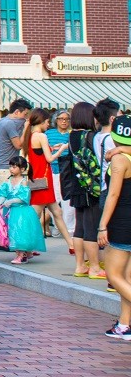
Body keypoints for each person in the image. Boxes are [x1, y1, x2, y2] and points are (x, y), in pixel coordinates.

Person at [97, 115, 131, 340]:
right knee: (126, 277)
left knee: (113, 274)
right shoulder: (124, 156)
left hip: (121, 221)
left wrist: (102, 226)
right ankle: (124, 324)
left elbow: (114, 194)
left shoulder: (120, 160)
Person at [20, 108, 70, 252]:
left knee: (56, 212)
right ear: (41, 121)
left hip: (37, 179)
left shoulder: (31, 136)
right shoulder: (41, 136)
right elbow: (49, 159)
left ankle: (71, 244)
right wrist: (62, 149)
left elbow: (39, 155)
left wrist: (53, 148)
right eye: (48, 122)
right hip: (44, 180)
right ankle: (23, 247)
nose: (49, 125)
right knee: (37, 216)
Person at [65, 102, 104, 279]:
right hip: (91, 186)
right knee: (92, 227)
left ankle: (80, 265)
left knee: (80, 227)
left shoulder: (72, 135)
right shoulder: (90, 136)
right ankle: (95, 267)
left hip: (77, 185)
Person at [0, 155, 44, 264]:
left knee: (20, 232)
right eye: (10, 166)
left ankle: (21, 255)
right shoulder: (8, 181)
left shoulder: (23, 181)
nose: (11, 169)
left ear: (22, 169)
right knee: (12, 231)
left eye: (14, 167)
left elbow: (24, 198)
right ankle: (25, 253)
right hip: (11, 211)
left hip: (21, 211)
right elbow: (3, 195)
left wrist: (11, 201)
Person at [0, 99, 30, 201]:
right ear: (16, 112)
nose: (26, 118)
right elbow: (18, 145)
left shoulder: (1, 121)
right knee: (10, 202)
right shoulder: (9, 124)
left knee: (6, 201)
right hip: (5, 169)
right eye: (25, 115)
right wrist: (25, 127)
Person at [46, 110, 76, 236]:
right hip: (52, 169)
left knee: (67, 200)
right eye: (61, 118)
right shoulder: (48, 134)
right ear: (56, 120)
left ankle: (69, 228)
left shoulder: (72, 134)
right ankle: (58, 226)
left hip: (68, 170)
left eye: (67, 119)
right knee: (53, 200)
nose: (64, 121)